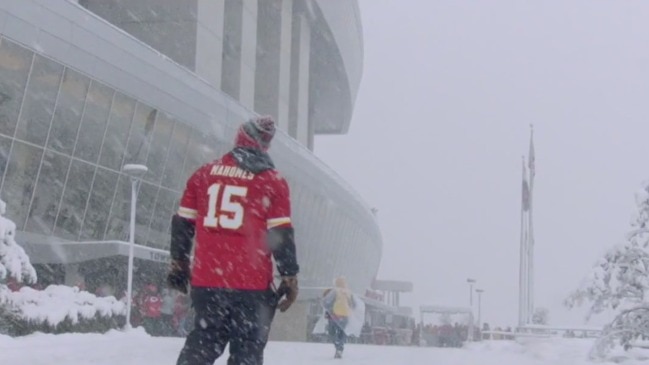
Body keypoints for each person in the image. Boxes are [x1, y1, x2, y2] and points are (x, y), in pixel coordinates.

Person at [167, 116, 300, 365]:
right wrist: (289, 275)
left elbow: (183, 223)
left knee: (203, 343)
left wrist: (179, 262)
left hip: (208, 281)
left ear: (239, 138)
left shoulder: (203, 175)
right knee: (247, 352)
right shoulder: (273, 182)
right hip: (252, 286)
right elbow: (280, 233)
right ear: (265, 146)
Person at [323, 277, 355, 359]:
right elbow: (353, 305)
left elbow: (327, 302)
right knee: (342, 332)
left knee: (331, 332)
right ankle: (340, 348)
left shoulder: (335, 291)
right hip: (345, 315)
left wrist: (328, 308)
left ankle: (338, 345)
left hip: (335, 315)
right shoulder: (348, 292)